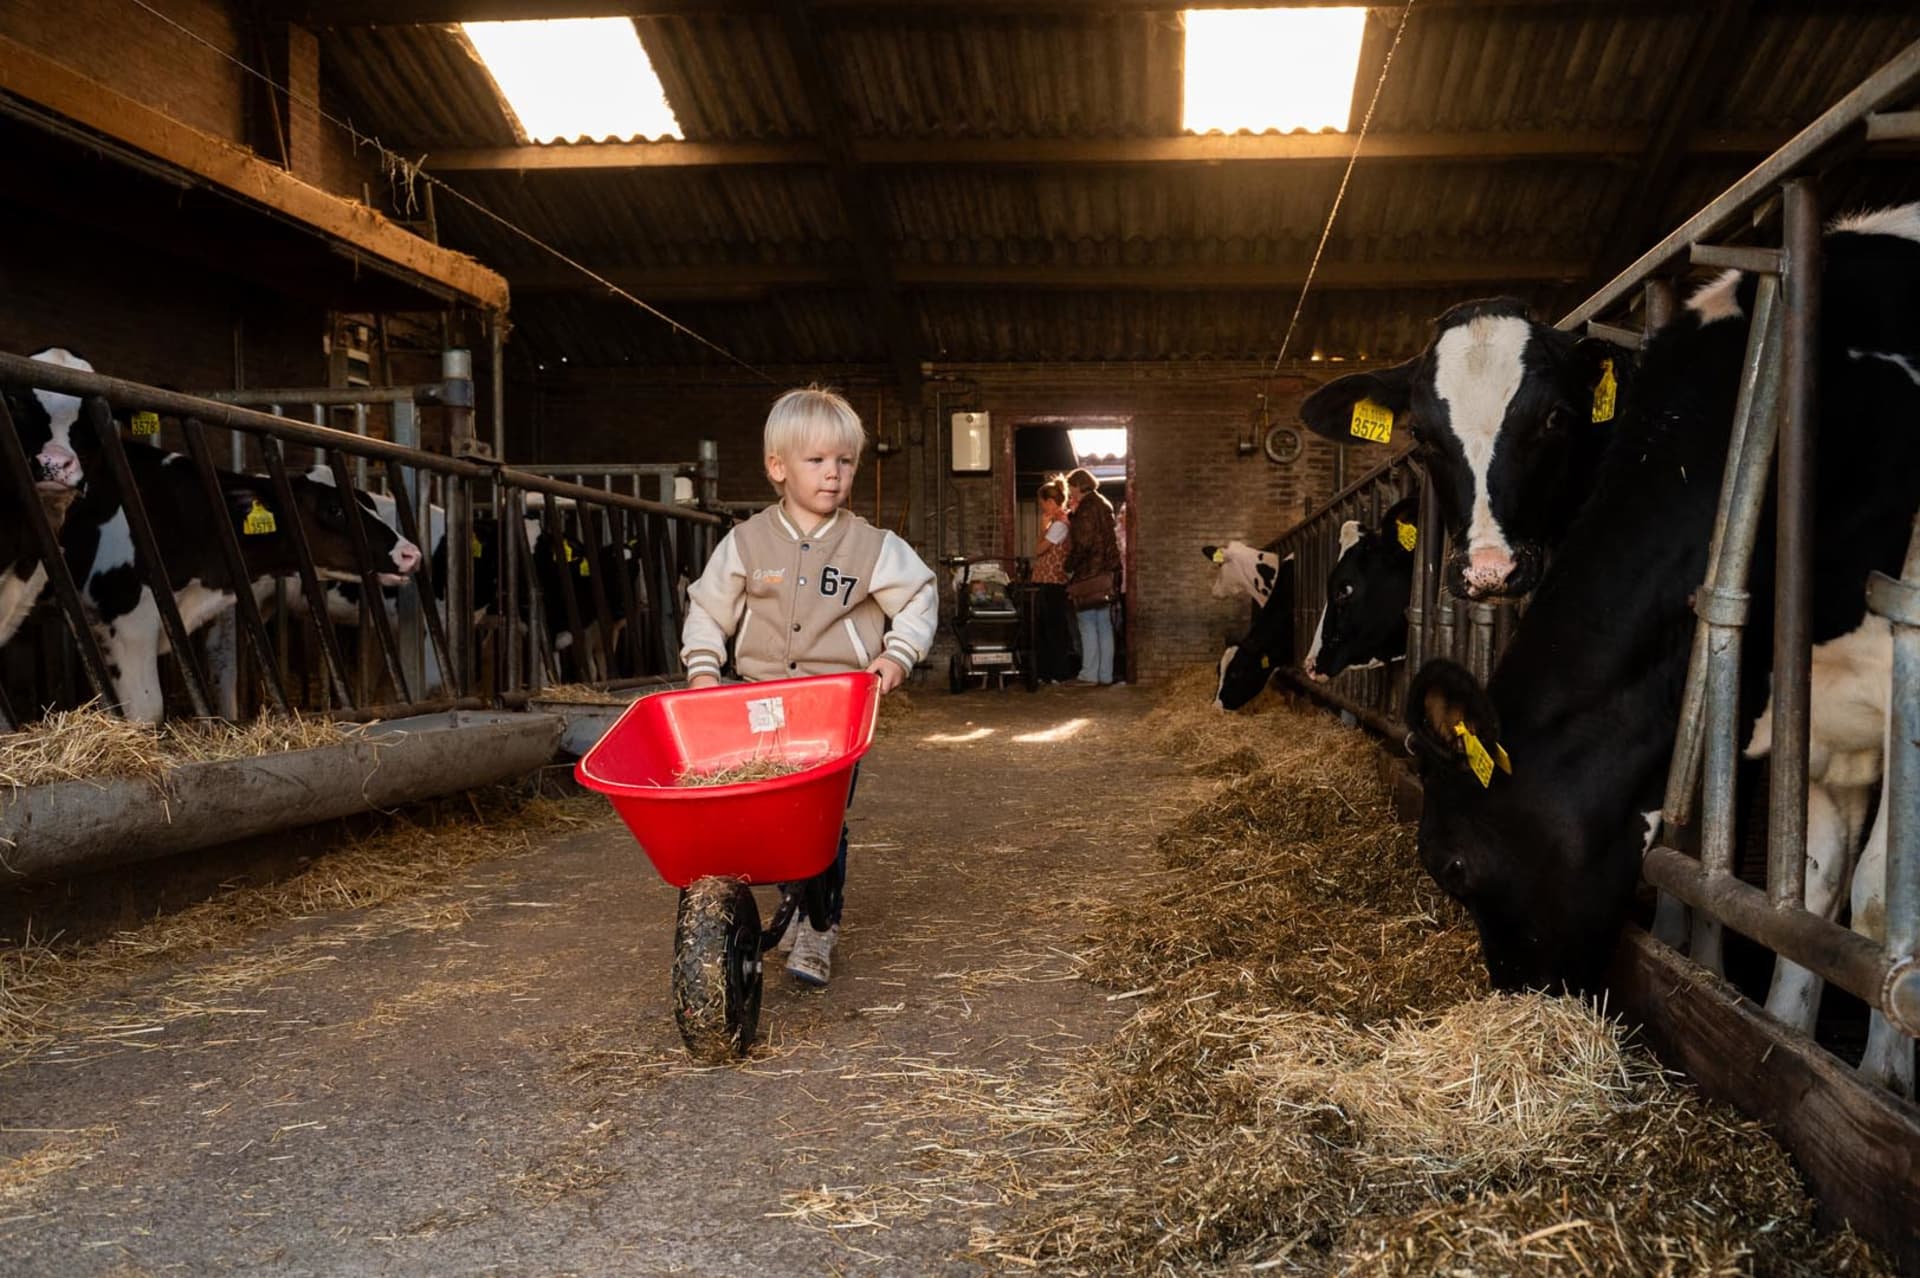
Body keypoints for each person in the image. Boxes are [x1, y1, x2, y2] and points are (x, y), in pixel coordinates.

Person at [680, 386, 937, 986]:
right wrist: (703, 669)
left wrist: (897, 655)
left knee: (821, 820)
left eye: (845, 461)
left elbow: (919, 595)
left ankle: (820, 924)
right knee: (769, 814)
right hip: (758, 705)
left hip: (834, 710)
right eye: (817, 460)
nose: (833, 474)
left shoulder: (872, 547)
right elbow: (708, 609)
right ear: (778, 467)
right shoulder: (746, 543)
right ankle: (794, 905)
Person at [1063, 467, 1122, 685]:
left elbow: (1083, 543)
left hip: (1088, 574)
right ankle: (1105, 675)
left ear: (1079, 485)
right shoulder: (1104, 504)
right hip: (1105, 574)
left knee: (1087, 623)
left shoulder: (1087, 508)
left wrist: (1069, 566)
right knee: (1104, 625)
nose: (1070, 492)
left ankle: (1089, 673)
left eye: (1071, 487)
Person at [1029, 477, 1077, 682]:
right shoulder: (1060, 522)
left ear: (1050, 501)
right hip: (1050, 581)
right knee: (1051, 627)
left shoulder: (1059, 525)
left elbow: (1039, 549)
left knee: (1052, 628)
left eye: (1042, 503)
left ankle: (1056, 672)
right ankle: (1050, 671)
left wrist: (1043, 527)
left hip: (1052, 582)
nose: (1042, 507)